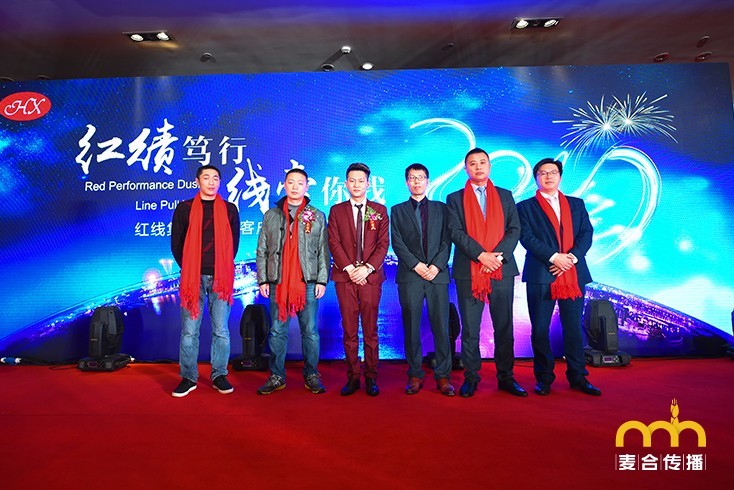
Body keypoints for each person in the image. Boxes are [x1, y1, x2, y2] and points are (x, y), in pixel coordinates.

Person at [516, 158, 601, 396]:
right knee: (540, 329)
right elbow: (526, 237)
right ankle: (544, 378)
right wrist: (554, 257)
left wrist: (571, 258)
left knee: (573, 328)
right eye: (543, 173)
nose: (548, 176)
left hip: (573, 273)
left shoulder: (576, 204)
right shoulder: (525, 207)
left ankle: (578, 376)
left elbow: (586, 233)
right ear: (536, 178)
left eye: (553, 172)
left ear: (560, 176)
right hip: (541, 273)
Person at [446, 148, 527, 398]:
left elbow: (514, 229)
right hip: (469, 271)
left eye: (483, 162)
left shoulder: (505, 195)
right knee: (470, 329)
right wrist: (481, 255)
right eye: (473, 163)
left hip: (501, 270)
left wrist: (497, 257)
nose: (478, 167)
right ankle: (471, 377)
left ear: (489, 166)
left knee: (504, 326)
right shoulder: (454, 198)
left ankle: (506, 377)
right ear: (465, 169)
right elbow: (455, 231)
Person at [255, 168, 329, 395]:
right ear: (284, 185)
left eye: (300, 183)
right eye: (291, 182)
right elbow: (262, 249)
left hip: (307, 282)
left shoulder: (317, 215)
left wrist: (321, 280)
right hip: (278, 282)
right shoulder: (271, 215)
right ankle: (277, 375)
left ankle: (312, 374)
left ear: (307, 187)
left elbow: (323, 250)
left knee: (310, 331)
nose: (295, 187)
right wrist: (263, 279)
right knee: (277, 331)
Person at [170, 164, 240, 397]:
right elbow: (177, 243)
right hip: (193, 279)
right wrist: (190, 269)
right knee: (189, 331)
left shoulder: (229, 209)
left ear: (220, 182)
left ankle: (219, 374)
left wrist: (221, 267)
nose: (211, 182)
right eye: (206, 178)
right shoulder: (184, 208)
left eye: (215, 178)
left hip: (221, 278)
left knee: (221, 330)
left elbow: (234, 245)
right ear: (197, 182)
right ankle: (188, 377)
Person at [390, 163, 455, 396]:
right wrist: (417, 265)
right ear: (406, 182)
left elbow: (448, 239)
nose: (416, 181)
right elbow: (397, 242)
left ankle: (443, 375)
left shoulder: (442, 208)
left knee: (441, 326)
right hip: (410, 275)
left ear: (428, 181)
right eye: (412, 178)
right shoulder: (397, 210)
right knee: (411, 326)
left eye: (420, 177)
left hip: (437, 275)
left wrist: (436, 266)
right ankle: (415, 373)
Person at [328, 163, 389, 396]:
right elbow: (334, 242)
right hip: (345, 279)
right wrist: (350, 269)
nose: (356, 184)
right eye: (352, 180)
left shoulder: (379, 210)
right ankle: (353, 376)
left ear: (368, 184)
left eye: (360, 181)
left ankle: (371, 376)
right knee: (349, 330)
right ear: (345, 184)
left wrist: (367, 269)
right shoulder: (336, 211)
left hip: (370, 279)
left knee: (371, 330)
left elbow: (383, 244)